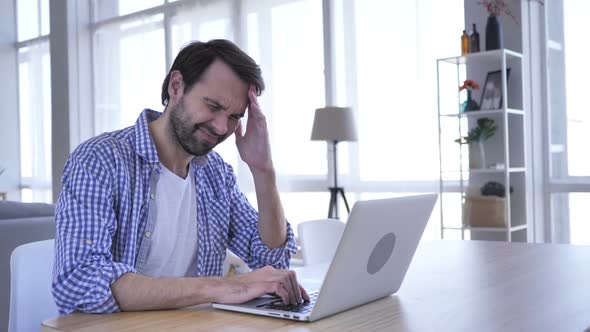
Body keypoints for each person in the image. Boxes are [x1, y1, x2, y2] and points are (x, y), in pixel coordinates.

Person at [52, 39, 309, 315]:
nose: (222, 127)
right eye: (212, 106)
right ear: (176, 86)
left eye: (234, 116)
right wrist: (222, 287)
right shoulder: (100, 160)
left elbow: (271, 259)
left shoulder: (217, 175)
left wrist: (263, 170)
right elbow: (79, 281)